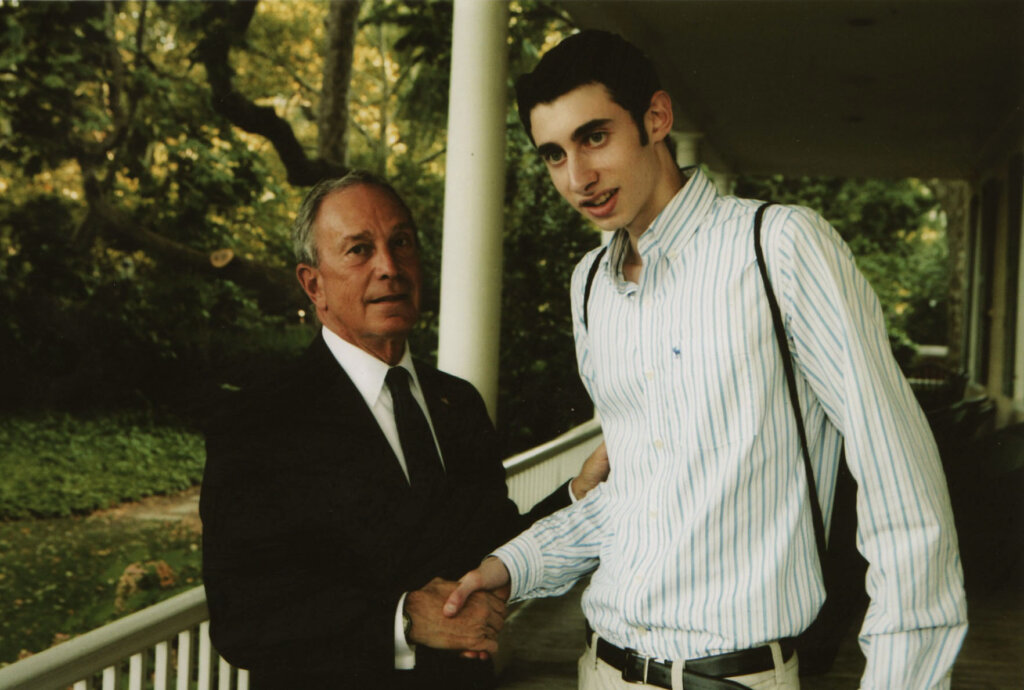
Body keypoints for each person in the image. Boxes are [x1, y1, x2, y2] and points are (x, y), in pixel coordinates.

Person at [444, 30, 967, 689]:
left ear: (655, 119)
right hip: (600, 669)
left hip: (732, 677)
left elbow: (904, 489)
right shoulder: (590, 285)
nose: (577, 178)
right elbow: (640, 495)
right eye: (554, 154)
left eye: (595, 137)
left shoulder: (778, 248)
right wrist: (518, 563)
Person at [199, 169, 609, 689]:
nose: (389, 267)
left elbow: (490, 548)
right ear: (313, 285)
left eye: (402, 243)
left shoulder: (457, 403)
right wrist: (404, 619)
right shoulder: (259, 422)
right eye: (359, 250)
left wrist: (578, 493)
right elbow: (243, 619)